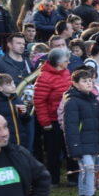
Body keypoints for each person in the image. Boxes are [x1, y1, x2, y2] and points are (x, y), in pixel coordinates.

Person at [59, 68, 99, 196]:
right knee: (88, 170)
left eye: (90, 80)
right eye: (84, 81)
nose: (89, 83)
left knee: (87, 171)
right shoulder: (72, 102)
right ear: (75, 83)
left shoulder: (93, 100)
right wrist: (74, 148)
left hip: (93, 142)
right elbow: (71, 128)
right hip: (81, 144)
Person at [31, 47, 74, 185]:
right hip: (53, 120)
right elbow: (39, 101)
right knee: (53, 151)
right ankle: (53, 179)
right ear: (58, 62)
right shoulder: (44, 77)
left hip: (67, 118)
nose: (69, 62)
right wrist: (45, 122)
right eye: (66, 60)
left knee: (70, 149)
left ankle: (73, 177)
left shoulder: (66, 72)